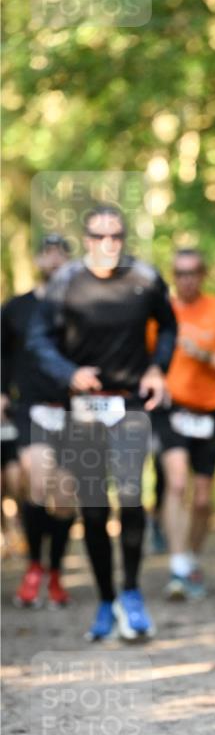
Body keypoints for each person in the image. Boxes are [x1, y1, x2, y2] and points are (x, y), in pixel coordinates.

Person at [28, 205, 177, 641]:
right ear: (87, 238)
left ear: (124, 238)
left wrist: (157, 369)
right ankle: (106, 600)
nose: (108, 245)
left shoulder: (145, 279)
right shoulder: (66, 282)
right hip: (84, 406)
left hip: (130, 404)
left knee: (131, 499)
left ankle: (131, 593)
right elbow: (39, 338)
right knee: (93, 510)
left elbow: (168, 328)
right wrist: (67, 372)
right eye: (98, 237)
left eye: (115, 237)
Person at [153, 247, 215, 599]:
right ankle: (178, 565)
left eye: (193, 272)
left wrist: (207, 356)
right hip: (170, 407)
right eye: (179, 273)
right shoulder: (160, 311)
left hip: (209, 410)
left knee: (202, 499)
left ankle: (190, 560)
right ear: (173, 275)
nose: (186, 279)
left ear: (203, 274)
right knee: (177, 482)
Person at [1, 234, 75, 607]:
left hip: (72, 410)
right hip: (29, 407)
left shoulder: (81, 308)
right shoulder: (16, 308)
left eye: (61, 254)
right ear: (37, 260)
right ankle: (33, 567)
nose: (54, 260)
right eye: (48, 253)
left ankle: (56, 573)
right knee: (34, 476)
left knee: (64, 497)